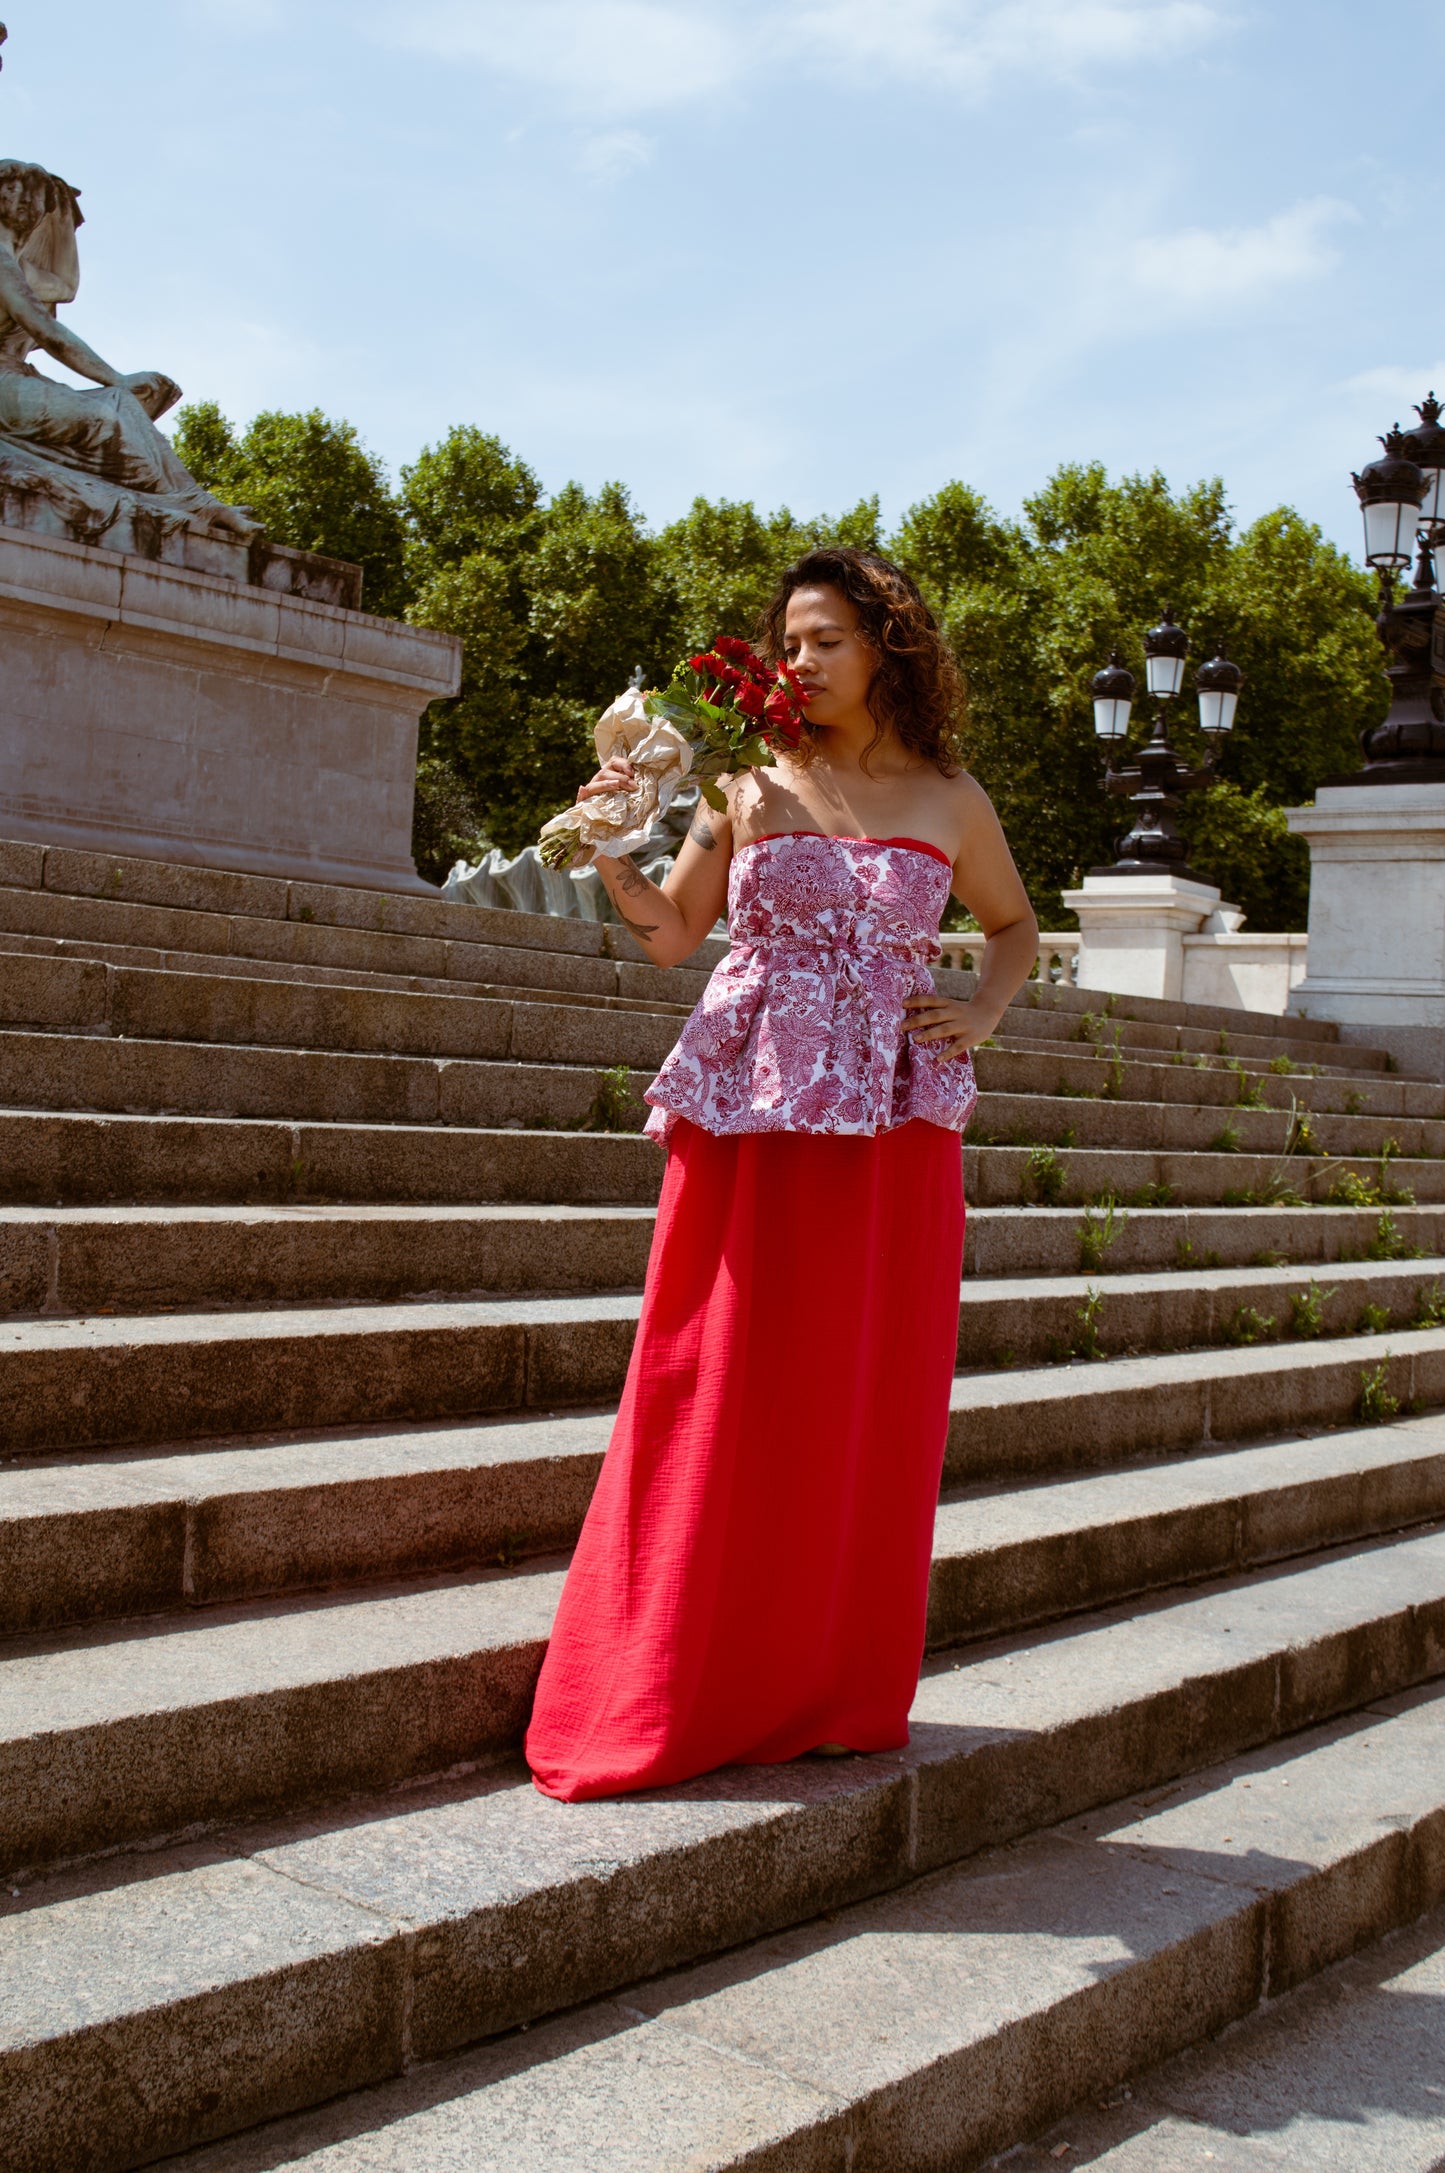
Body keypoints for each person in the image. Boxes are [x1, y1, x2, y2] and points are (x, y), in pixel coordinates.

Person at [525, 546, 1038, 1803]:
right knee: (714, 1375)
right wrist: (606, 851)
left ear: (887, 651)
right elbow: (670, 940)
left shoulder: (950, 796)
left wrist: (976, 1012)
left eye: (824, 640)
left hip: (893, 1121)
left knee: (860, 1388)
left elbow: (1013, 928)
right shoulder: (745, 785)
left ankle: (826, 1683)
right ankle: (676, 1677)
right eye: (788, 641)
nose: (796, 662)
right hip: (749, 1107)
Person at [0, 160, 256, 540]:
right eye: (36, 202)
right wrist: (116, 376)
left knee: (121, 404)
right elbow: (50, 333)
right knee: (109, 415)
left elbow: (65, 288)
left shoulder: (17, 264)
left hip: (14, 380)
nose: (39, 213)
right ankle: (192, 504)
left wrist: (65, 220)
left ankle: (199, 502)